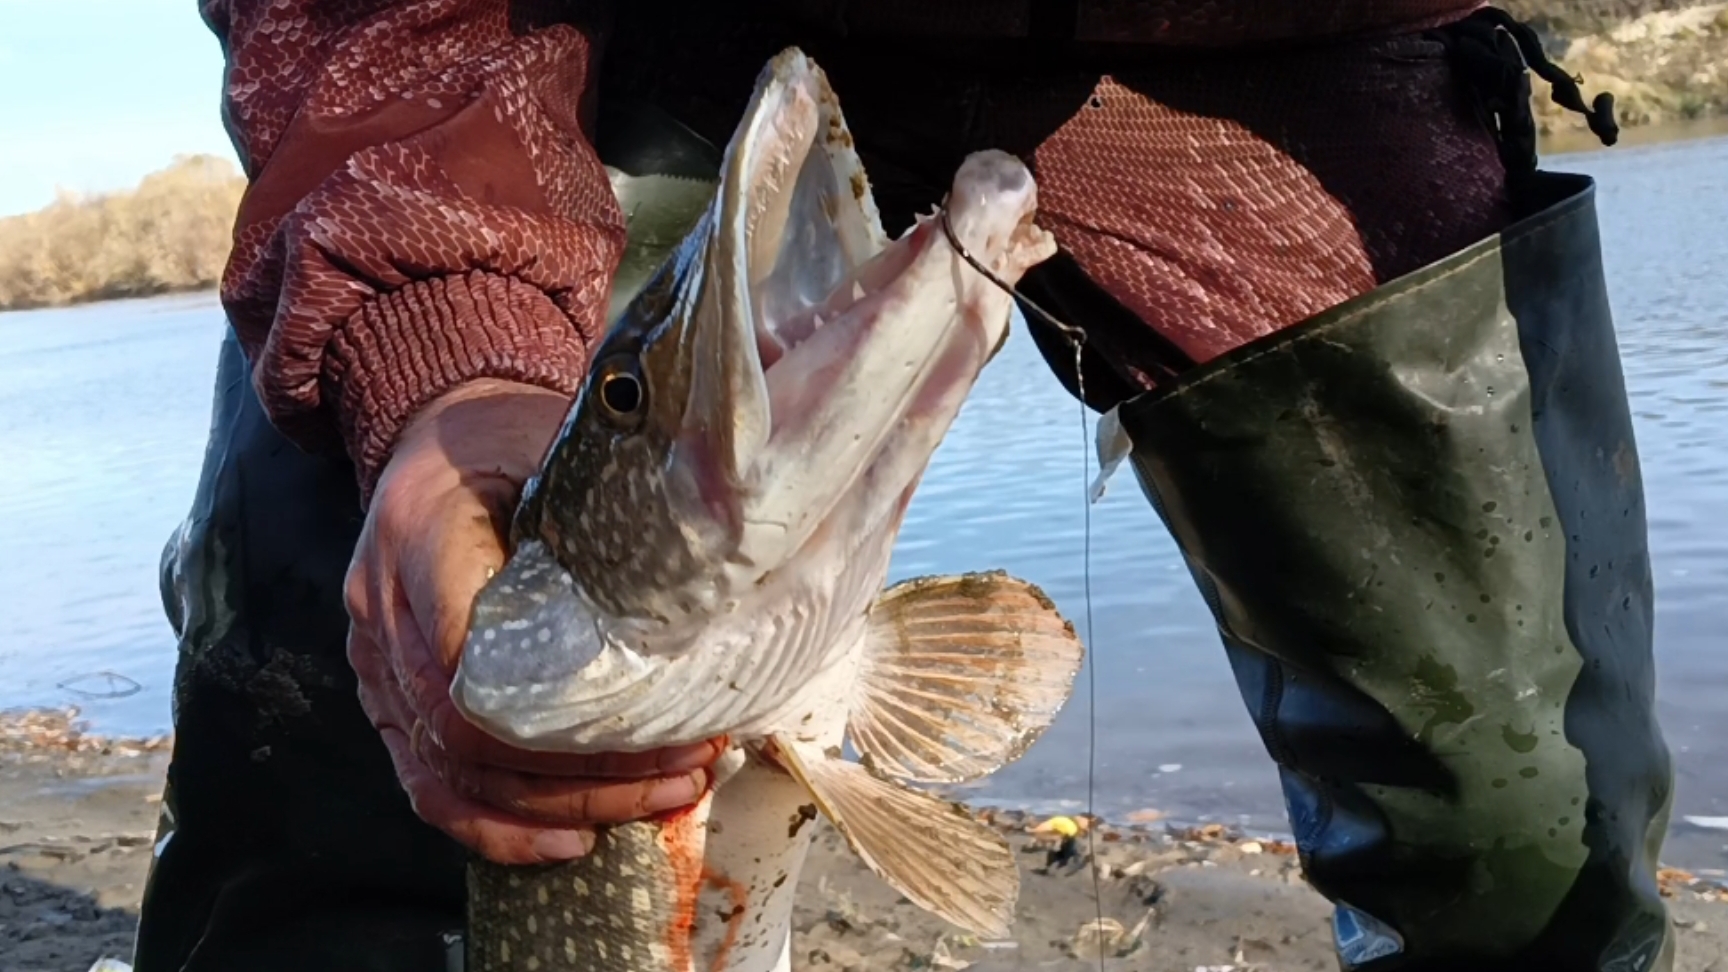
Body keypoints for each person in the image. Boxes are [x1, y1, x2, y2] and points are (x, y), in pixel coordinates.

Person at [139, 2, 1674, 970]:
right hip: (607, 37)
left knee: (1518, 845)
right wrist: (438, 349)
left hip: (1273, 50)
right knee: (355, 727)